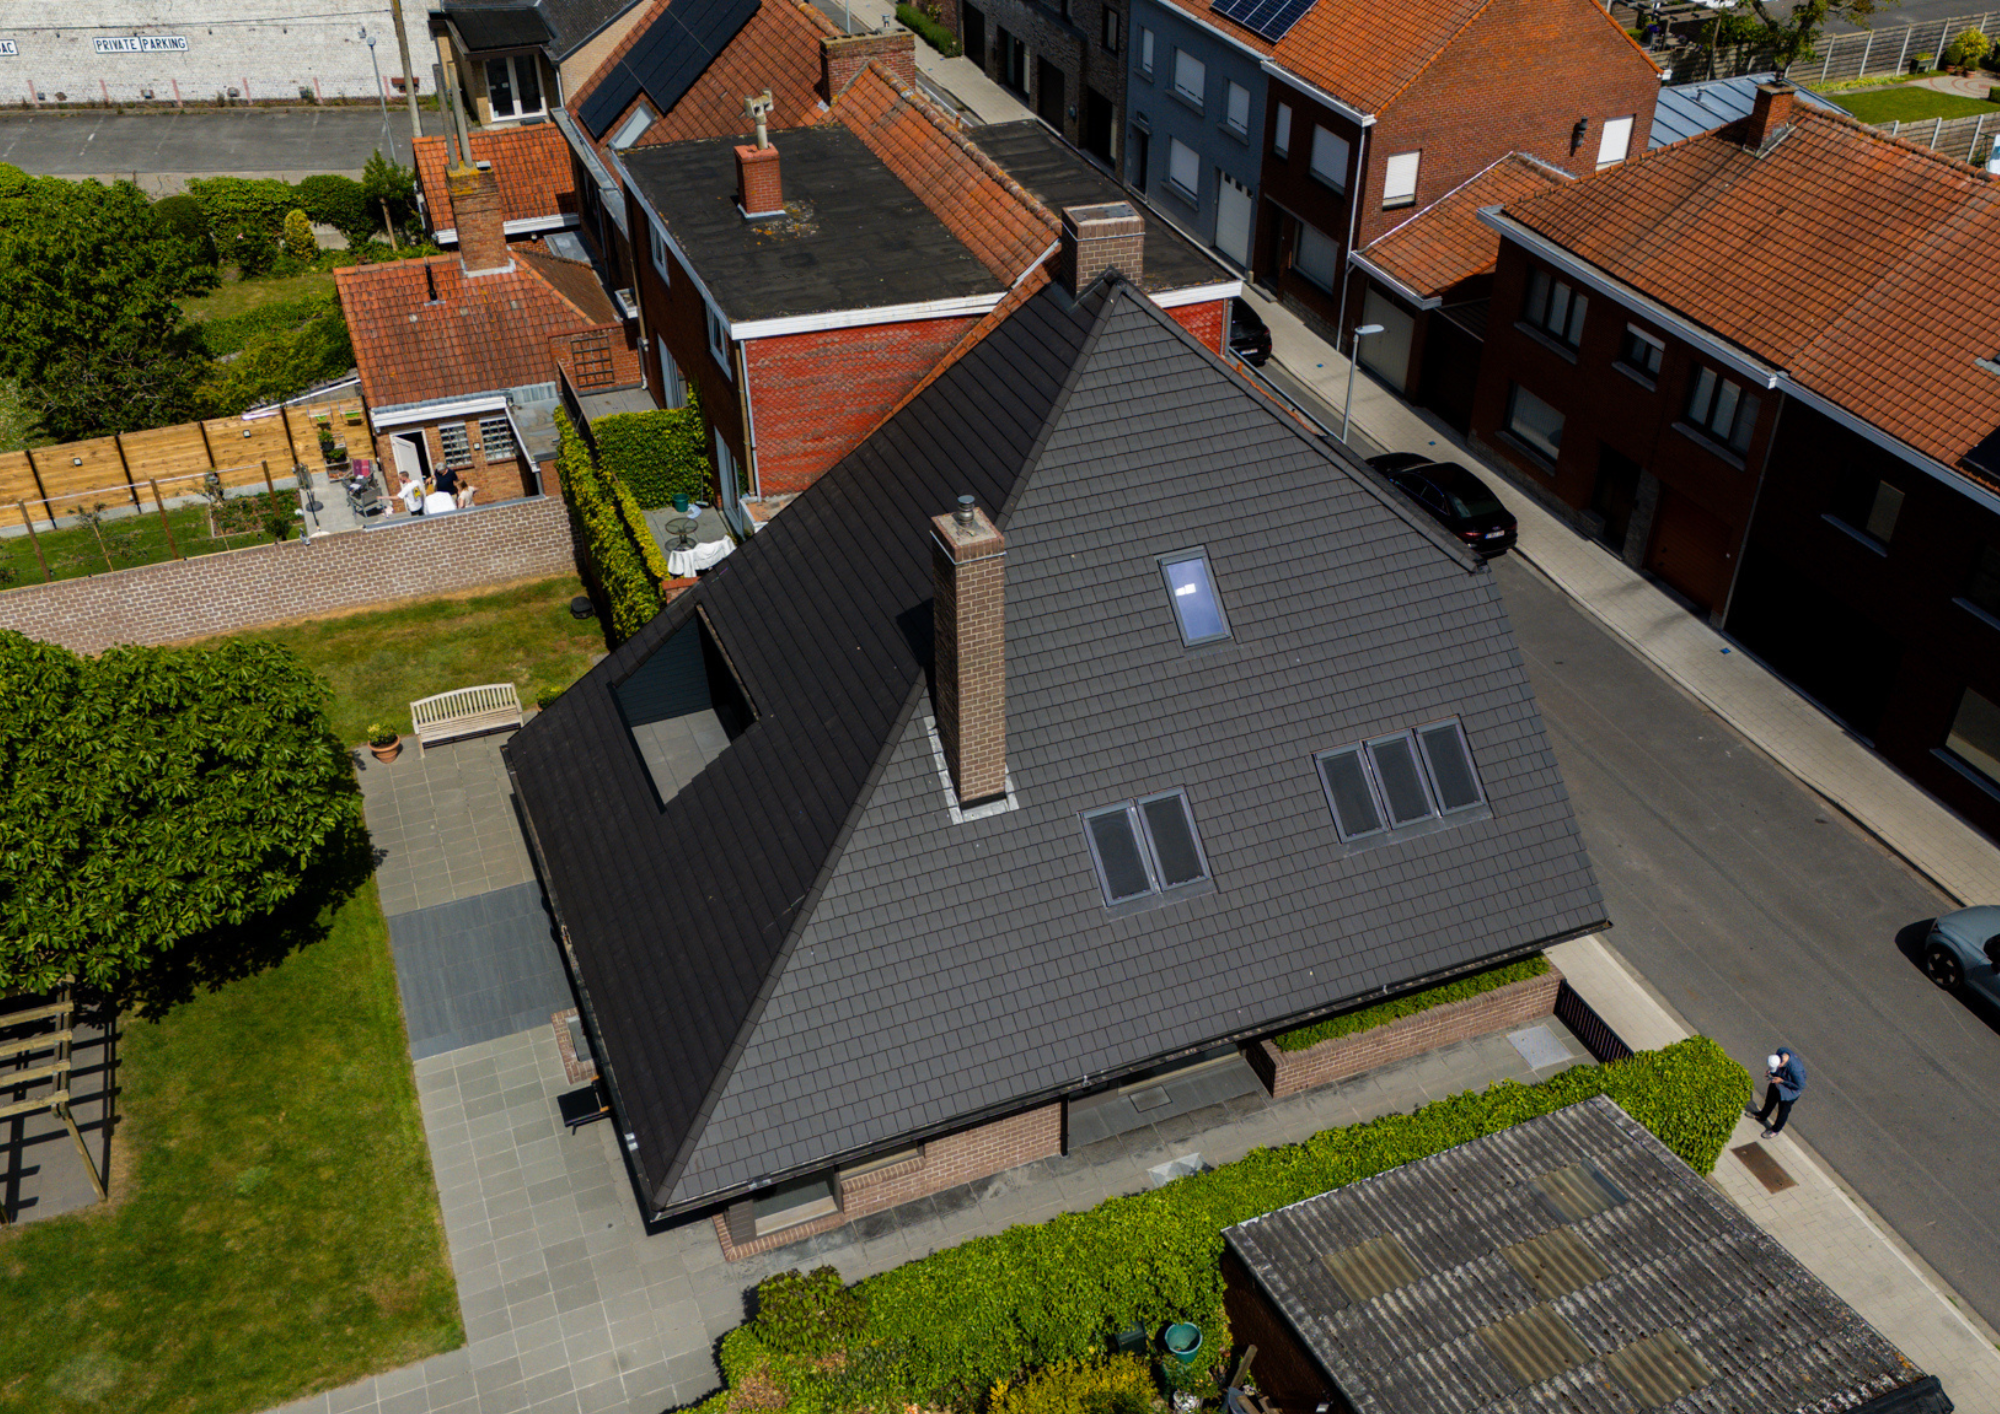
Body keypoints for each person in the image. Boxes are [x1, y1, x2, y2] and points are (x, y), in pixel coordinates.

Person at [1746, 1047, 1805, 1138]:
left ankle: (1775, 1130)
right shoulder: (1781, 1052)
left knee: (1782, 1112)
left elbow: (1799, 1087)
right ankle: (1762, 1116)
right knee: (1769, 1102)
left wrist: (1782, 1081)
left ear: (1781, 1063)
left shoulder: (1796, 1069)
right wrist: (1771, 1073)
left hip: (1788, 1093)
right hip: (1776, 1084)